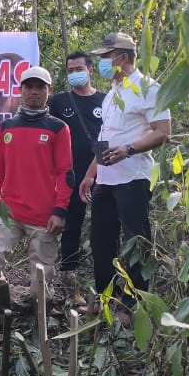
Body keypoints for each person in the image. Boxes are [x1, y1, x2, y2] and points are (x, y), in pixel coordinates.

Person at [79, 32, 171, 319]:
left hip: (133, 177)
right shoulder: (112, 94)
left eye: (106, 57)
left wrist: (129, 149)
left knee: (135, 241)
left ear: (121, 57)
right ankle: (105, 299)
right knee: (102, 241)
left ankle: (135, 306)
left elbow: (162, 132)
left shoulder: (148, 88)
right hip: (105, 179)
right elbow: (107, 136)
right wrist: (90, 173)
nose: (103, 63)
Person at [0, 66, 73, 314]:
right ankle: (4, 312)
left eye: (39, 87)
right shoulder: (6, 127)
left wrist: (60, 210)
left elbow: (66, 172)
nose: (33, 92)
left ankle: (38, 323)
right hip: (8, 213)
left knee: (40, 284)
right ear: (20, 90)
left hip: (44, 217)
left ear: (48, 90)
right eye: (28, 86)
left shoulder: (58, 128)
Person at [47, 52, 106, 303]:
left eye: (78, 68)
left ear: (90, 71)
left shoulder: (106, 100)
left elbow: (109, 136)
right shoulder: (59, 102)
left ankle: (107, 289)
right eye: (70, 70)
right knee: (70, 228)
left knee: (104, 231)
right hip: (70, 175)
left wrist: (97, 170)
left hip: (104, 174)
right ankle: (71, 287)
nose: (74, 73)